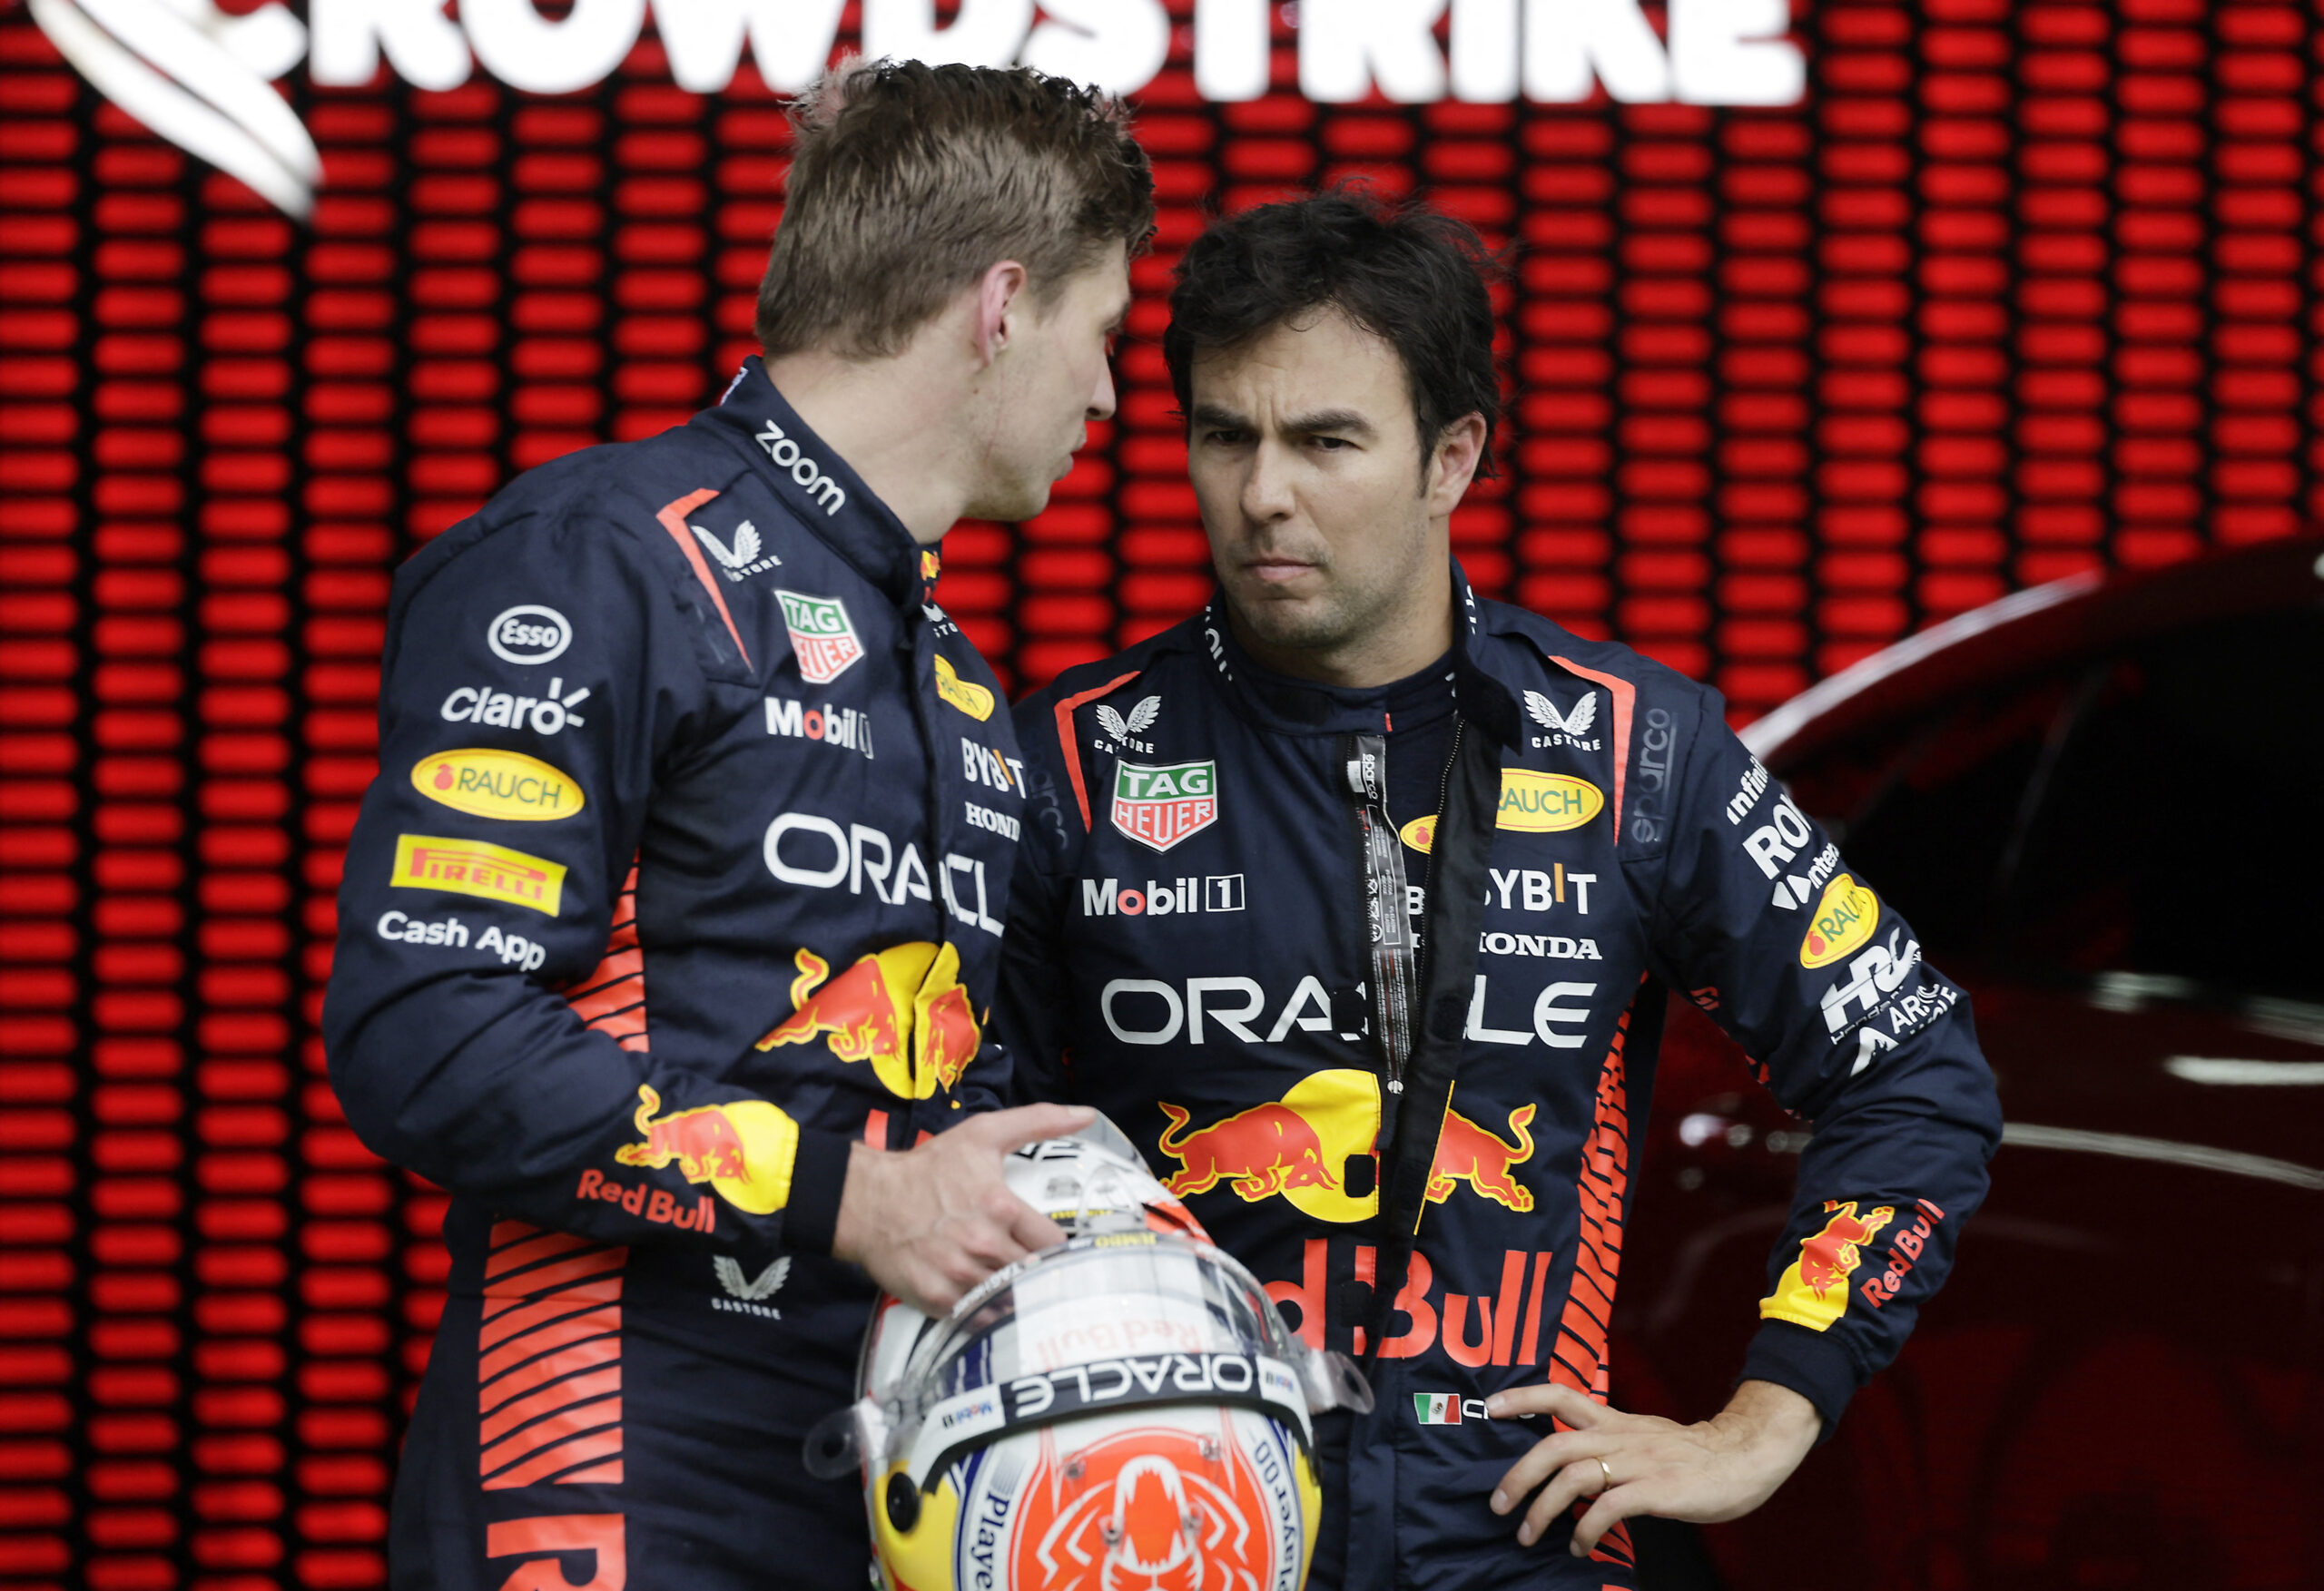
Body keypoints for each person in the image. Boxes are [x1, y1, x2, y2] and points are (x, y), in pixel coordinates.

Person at [995, 189, 2003, 1589]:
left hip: (1518, 1535)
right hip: (1166, 1528)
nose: (1263, 492)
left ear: (1451, 457)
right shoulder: (1066, 758)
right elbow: (949, 1147)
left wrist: (1771, 1414)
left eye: (1326, 440)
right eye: (1225, 435)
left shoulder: (1637, 750)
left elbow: (1911, 1067)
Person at [321, 60, 1152, 1591]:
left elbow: (912, 1106)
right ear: (1002, 305)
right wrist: (859, 1197)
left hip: (883, 1497)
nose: (1108, 394)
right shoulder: (602, 559)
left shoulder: (958, 687)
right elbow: (429, 1027)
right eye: (1103, 332)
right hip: (607, 1471)